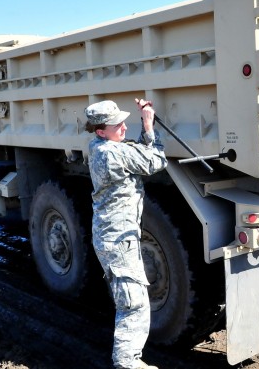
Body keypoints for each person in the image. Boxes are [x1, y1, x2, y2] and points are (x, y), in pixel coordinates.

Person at [85, 98, 167, 369]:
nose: (123, 126)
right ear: (100, 131)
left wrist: (145, 130)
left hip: (113, 237)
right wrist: (148, 124)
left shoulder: (100, 147)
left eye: (122, 120)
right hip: (118, 241)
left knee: (131, 298)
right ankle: (127, 363)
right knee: (133, 304)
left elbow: (139, 155)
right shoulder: (111, 153)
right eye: (116, 124)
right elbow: (155, 160)